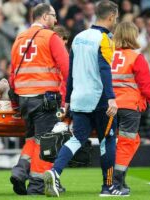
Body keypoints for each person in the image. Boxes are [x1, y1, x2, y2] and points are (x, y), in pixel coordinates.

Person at [44, 0, 124, 197]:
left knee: (77, 138)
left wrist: (69, 99)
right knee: (108, 141)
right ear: (112, 16)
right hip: (99, 99)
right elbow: (104, 68)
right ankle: (108, 187)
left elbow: (70, 72)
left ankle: (54, 172)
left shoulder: (79, 37)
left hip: (78, 97)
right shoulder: (104, 39)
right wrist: (111, 98)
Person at [9, 3, 69, 195]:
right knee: (46, 143)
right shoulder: (50, 37)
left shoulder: (19, 38)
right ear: (44, 17)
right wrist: (66, 99)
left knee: (32, 139)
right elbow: (67, 69)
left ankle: (20, 171)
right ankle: (36, 184)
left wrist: (15, 103)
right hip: (45, 97)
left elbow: (12, 74)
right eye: (53, 16)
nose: (56, 20)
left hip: (24, 98)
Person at [111, 21, 150, 195]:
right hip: (129, 107)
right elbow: (147, 88)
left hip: (109, 106)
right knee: (127, 143)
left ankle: (117, 181)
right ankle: (117, 184)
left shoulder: (108, 56)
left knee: (127, 141)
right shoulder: (136, 58)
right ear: (132, 36)